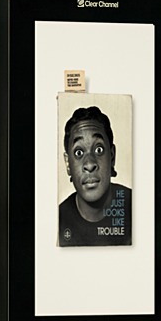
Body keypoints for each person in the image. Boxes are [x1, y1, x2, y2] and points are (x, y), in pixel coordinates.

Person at [59, 105, 132, 246]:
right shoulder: (57, 220)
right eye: (79, 152)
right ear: (68, 164)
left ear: (112, 157)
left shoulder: (137, 207)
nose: (90, 164)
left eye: (98, 149)